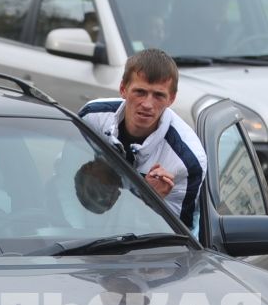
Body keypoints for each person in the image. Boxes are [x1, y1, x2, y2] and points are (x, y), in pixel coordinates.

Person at [75, 49, 207, 230]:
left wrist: (150, 201)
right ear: (123, 89)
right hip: (79, 235)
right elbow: (64, 182)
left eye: (159, 95)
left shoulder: (187, 159)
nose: (147, 104)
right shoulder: (92, 118)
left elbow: (181, 241)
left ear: (172, 98)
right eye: (140, 92)